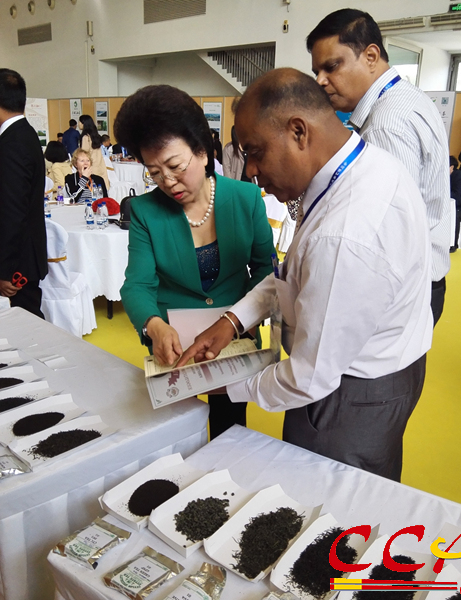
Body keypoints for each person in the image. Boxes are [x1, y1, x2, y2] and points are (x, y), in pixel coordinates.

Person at [178, 69, 432, 482]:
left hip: (346, 395)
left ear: (299, 131)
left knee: (325, 499)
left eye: (256, 152)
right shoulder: (364, 167)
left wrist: (226, 386)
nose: (251, 171)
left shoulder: (344, 235)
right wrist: (233, 320)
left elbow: (308, 378)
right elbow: (297, 272)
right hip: (381, 367)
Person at [114, 84, 274, 439]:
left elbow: (265, 269)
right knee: (176, 432)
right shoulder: (145, 211)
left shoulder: (246, 198)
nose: (168, 182)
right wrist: (153, 325)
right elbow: (137, 283)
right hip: (174, 343)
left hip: (233, 336)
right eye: (155, 173)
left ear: (202, 152)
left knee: (230, 430)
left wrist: (242, 320)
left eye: (175, 166)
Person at [307, 8, 450, 327]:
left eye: (332, 67)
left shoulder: (386, 124)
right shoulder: (408, 97)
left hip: (400, 290)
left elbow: (388, 233)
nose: (320, 81)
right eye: (317, 71)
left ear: (371, 56)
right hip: (421, 280)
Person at [0, 69, 47, 317]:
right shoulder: (24, 133)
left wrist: (5, 270)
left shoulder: (12, 143)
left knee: (26, 324)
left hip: (18, 261)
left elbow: (12, 211)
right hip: (25, 253)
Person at [78, 114, 110, 189]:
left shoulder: (86, 137)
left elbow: (84, 154)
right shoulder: (96, 136)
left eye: (80, 122)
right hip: (100, 164)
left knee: (92, 188)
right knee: (101, 187)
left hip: (91, 165)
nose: (78, 124)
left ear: (84, 123)